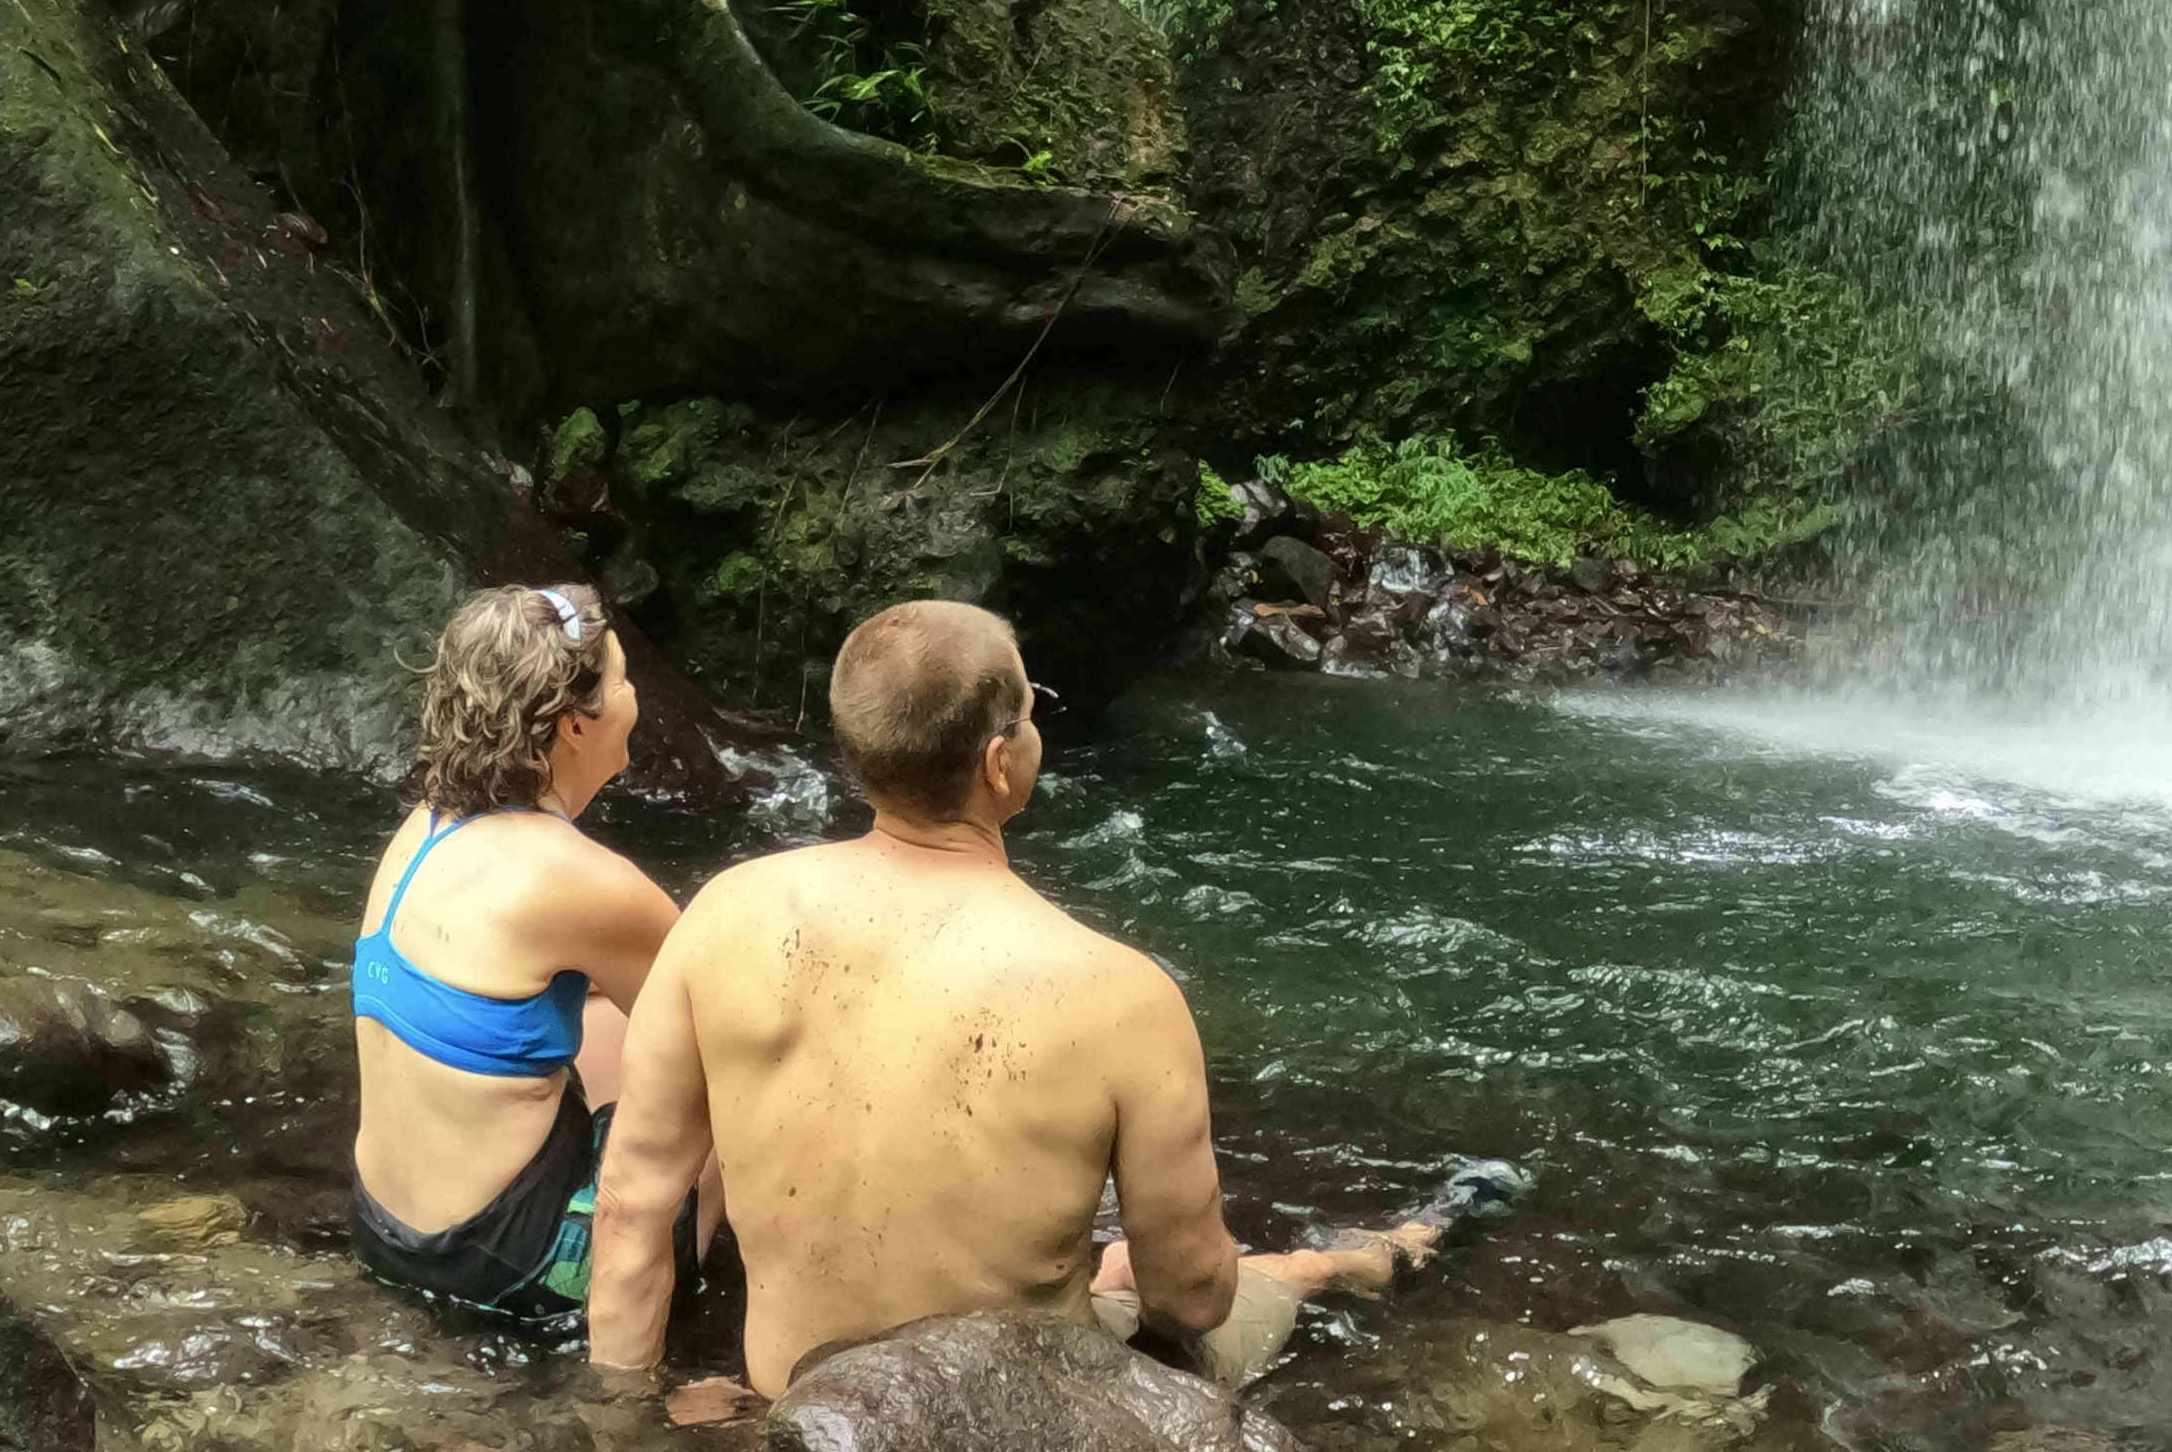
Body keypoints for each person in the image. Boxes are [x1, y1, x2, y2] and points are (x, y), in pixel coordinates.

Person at [587, 598, 1510, 1399]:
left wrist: (625, 1410)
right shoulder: (1121, 994)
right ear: (999, 762)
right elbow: (1191, 1298)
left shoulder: (723, 915)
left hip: (806, 1402)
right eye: (1032, 714)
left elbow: (631, 1207)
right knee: (1268, 1278)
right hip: (1022, 1410)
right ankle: (1370, 1256)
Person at [348, 580, 707, 1322]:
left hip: (383, 1235)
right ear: (574, 725)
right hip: (506, 1271)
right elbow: (731, 1032)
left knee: (604, 1011)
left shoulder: (426, 825)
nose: (636, 695)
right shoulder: (581, 881)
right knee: (736, 1083)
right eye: (622, 679)